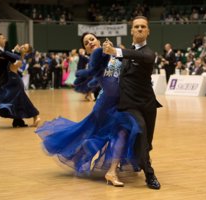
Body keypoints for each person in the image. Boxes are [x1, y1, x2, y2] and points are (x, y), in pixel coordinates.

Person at [36, 33, 141, 187]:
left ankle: (106, 166)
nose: (90, 42)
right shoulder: (96, 60)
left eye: (92, 39)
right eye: (86, 42)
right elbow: (96, 75)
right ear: (85, 49)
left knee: (111, 133)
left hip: (119, 102)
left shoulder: (113, 54)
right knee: (119, 131)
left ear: (98, 40)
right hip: (107, 106)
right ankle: (109, 169)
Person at [102, 16, 162, 189]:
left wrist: (116, 51)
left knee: (147, 143)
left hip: (148, 104)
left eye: (143, 26)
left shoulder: (149, 53)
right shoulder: (126, 54)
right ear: (132, 30)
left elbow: (137, 55)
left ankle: (138, 160)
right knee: (141, 131)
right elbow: (114, 69)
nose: (140, 29)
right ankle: (150, 175)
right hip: (129, 105)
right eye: (137, 26)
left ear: (148, 31)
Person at [0, 43, 40, 127]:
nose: (22, 47)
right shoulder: (16, 55)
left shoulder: (18, 58)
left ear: (26, 52)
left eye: (24, 48)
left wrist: (11, 52)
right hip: (9, 80)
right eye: (23, 45)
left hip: (15, 82)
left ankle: (36, 116)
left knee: (22, 101)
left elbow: (8, 62)